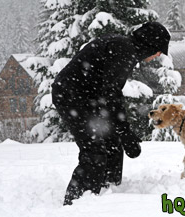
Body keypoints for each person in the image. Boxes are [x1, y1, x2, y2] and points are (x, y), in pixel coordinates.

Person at [51, 22, 171, 205]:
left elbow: (107, 92)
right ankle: (77, 203)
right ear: (150, 46)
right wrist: (126, 132)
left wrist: (122, 133)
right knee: (95, 150)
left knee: (112, 143)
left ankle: (110, 193)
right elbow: (111, 94)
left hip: (87, 97)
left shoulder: (123, 46)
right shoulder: (124, 50)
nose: (158, 55)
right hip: (71, 96)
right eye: (159, 51)